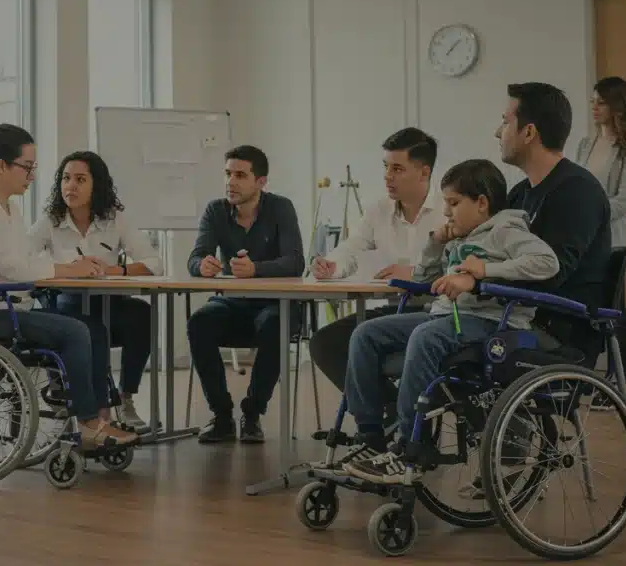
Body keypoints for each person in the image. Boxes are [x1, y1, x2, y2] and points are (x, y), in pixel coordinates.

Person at [341, 159, 559, 484]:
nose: (446, 211)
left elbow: (547, 262)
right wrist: (436, 243)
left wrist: (484, 272)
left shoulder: (506, 229)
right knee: (365, 334)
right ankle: (370, 436)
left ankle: (412, 446)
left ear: (481, 202)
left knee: (425, 337)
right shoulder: (460, 237)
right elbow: (424, 278)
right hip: (447, 315)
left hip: (491, 321)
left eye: (453, 203)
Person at [0, 124, 139, 449]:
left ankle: (99, 417)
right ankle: (88, 424)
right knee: (75, 332)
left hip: (5, 307)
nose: (33, 175)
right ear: (1, 166)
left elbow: (25, 259)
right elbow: (14, 268)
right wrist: (71, 269)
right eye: (27, 167)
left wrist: (70, 267)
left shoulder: (8, 207)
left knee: (93, 329)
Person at [27, 151, 163, 433]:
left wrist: (114, 270)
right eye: (66, 179)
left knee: (143, 314)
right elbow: (21, 259)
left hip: (107, 301)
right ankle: (98, 410)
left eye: (80, 180)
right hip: (66, 303)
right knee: (93, 330)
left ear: (96, 185)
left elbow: (155, 263)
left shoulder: (115, 219)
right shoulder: (50, 221)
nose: (70, 186)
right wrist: (65, 269)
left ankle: (125, 398)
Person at [306, 127, 445, 395]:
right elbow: (352, 248)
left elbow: (461, 266)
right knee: (324, 343)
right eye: (386, 167)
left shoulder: (449, 209)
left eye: (397, 169)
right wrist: (332, 266)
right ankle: (388, 409)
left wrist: (417, 274)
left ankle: (392, 410)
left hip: (436, 312)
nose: (387, 176)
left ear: (424, 172)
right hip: (395, 311)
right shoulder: (378, 210)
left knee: (366, 338)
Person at [186, 145, 305, 444]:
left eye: (240, 175)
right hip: (232, 303)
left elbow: (295, 261)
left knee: (275, 324)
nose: (231, 182)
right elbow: (195, 258)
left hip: (275, 305)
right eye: (228, 173)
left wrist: (256, 269)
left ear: (261, 182)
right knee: (199, 322)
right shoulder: (215, 210)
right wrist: (203, 265)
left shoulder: (281, 208)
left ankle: (252, 413)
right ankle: (222, 414)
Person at [497, 82, 612, 364]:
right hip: (518, 315)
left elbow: (550, 273)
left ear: (529, 132)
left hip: (558, 328)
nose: (498, 132)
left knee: (433, 338)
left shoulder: (578, 191)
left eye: (505, 122)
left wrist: (483, 278)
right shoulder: (519, 194)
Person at [577, 76, 626, 410]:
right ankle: (592, 381)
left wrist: (591, 214)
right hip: (584, 239)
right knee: (587, 310)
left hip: (611, 241)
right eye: (593, 101)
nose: (595, 107)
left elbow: (625, 200)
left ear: (617, 105)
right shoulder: (586, 143)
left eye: (601, 102)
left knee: (615, 311)